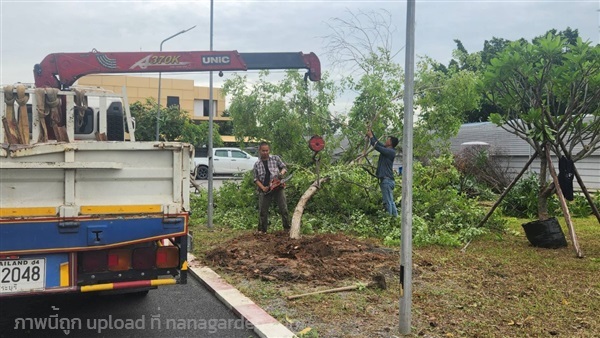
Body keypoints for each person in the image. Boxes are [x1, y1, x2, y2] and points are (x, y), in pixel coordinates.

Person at [253, 141, 290, 233]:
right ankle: (262, 230)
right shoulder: (257, 164)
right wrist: (263, 187)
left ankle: (287, 229)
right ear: (259, 151)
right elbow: (256, 179)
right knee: (263, 211)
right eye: (263, 151)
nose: (265, 152)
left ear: (269, 150)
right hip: (265, 189)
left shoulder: (275, 159)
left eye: (267, 150)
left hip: (278, 187)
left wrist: (281, 174)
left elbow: (284, 168)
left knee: (283, 208)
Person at [366, 129, 399, 217]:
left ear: (390, 143)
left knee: (388, 202)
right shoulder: (387, 150)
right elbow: (378, 143)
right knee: (391, 202)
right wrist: (371, 133)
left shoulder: (390, 152)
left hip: (387, 181)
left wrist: (371, 137)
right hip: (388, 181)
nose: (386, 140)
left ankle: (389, 221)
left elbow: (376, 146)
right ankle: (395, 219)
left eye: (388, 139)